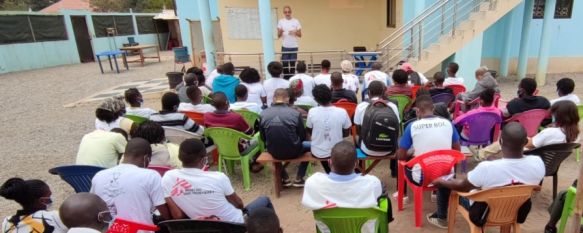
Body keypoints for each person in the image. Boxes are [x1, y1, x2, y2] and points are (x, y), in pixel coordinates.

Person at [429, 122, 545, 228]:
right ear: (525, 142)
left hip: (484, 213)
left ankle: (441, 218)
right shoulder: (538, 163)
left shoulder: (487, 168)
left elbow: (462, 187)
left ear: (500, 142)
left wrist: (441, 181)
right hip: (517, 210)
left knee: (447, 182)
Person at [162, 139, 274, 222]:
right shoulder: (218, 177)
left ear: (180, 157)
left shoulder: (168, 178)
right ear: (204, 159)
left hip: (203, 227)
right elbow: (239, 204)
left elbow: (178, 216)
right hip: (235, 225)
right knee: (264, 200)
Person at [396, 95, 461, 213]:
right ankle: (437, 193)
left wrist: (412, 151)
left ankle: (403, 195)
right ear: (433, 108)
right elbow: (457, 151)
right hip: (446, 175)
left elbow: (401, 156)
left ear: (417, 111)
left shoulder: (412, 126)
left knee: (404, 163)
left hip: (422, 178)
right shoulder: (447, 123)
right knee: (440, 162)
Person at [91, 138, 170, 227]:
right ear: (146, 158)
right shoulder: (150, 175)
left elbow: (93, 205)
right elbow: (164, 212)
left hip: (107, 229)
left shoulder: (99, 175)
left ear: (124, 155)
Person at [302, 141, 383, 209]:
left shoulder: (313, 183)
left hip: (329, 228)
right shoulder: (372, 183)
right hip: (362, 228)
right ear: (356, 164)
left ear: (329, 162)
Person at [260, 88, 309, 187]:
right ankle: (299, 177)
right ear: (287, 99)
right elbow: (302, 136)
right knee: (312, 146)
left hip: (272, 150)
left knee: (276, 146)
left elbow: (263, 137)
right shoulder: (295, 113)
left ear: (273, 98)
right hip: (294, 150)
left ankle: (285, 178)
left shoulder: (263, 114)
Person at [307, 85, 352, 173]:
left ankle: (329, 171)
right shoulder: (342, 111)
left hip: (318, 152)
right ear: (331, 95)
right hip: (338, 152)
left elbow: (309, 130)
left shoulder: (312, 111)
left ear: (316, 100)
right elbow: (347, 133)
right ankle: (331, 171)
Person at [1, 178, 67, 233]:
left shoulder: (7, 222)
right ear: (42, 200)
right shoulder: (54, 217)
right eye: (49, 195)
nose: (51, 197)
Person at [354, 80, 400, 156]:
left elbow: (358, 130)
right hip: (389, 149)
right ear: (383, 92)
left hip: (367, 149)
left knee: (356, 138)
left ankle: (360, 166)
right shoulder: (392, 106)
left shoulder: (361, 106)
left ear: (368, 93)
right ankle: (394, 167)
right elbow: (397, 127)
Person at [277, 5, 302, 80]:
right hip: (285, 46)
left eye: (288, 12)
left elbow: (300, 35)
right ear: (283, 13)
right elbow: (278, 35)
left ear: (291, 12)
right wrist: (280, 32)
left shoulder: (296, 21)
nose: (287, 13)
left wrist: (295, 32)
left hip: (294, 46)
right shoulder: (281, 21)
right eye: (285, 12)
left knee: (292, 63)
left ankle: (292, 78)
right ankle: (286, 78)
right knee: (284, 63)